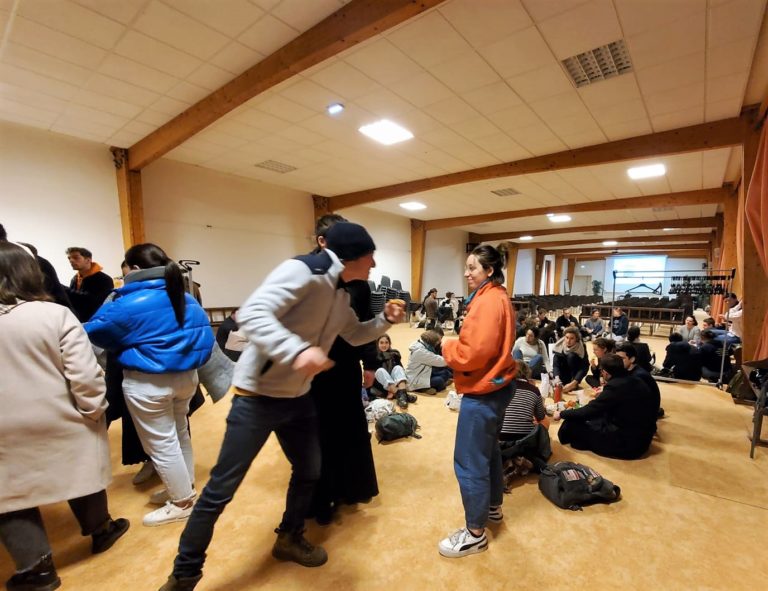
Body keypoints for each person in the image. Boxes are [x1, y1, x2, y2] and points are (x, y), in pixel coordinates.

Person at [158, 222, 405, 591]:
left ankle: (289, 537)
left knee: (310, 471)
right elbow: (253, 314)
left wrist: (384, 320)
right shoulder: (303, 271)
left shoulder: (340, 294)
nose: (374, 264)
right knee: (221, 488)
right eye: (371, 256)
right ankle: (184, 574)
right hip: (257, 398)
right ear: (352, 255)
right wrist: (297, 351)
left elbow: (354, 334)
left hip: (298, 399)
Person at [0, 242, 129, 591]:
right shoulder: (54, 315)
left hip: (4, 426)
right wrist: (93, 410)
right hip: (60, 415)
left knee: (8, 495)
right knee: (79, 470)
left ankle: (37, 568)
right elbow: (85, 375)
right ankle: (101, 529)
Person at [85, 244, 214, 527]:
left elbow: (90, 334)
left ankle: (181, 502)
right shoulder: (185, 297)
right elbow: (205, 339)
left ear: (134, 269)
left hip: (148, 382)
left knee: (162, 443)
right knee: (180, 435)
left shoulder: (125, 303)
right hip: (186, 379)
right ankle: (184, 488)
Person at [438, 243, 516, 559]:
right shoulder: (497, 295)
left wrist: (447, 346)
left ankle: (474, 533)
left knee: (469, 461)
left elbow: (473, 353)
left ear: (489, 270)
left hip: (484, 390)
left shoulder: (488, 302)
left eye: (472, 268)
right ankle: (492, 507)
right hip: (498, 385)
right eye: (467, 267)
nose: (467, 273)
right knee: (488, 451)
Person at [307, 214, 381, 525]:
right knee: (319, 434)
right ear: (322, 241)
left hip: (346, 366)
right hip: (312, 371)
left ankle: (352, 488)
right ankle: (322, 497)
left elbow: (364, 325)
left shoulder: (359, 282)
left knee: (350, 428)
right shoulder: (306, 276)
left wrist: (371, 363)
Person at [554, 354, 657, 460]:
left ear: (605, 372)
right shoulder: (636, 379)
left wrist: (561, 414)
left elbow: (589, 411)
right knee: (593, 419)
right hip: (643, 438)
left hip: (628, 444)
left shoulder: (615, 386)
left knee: (572, 423)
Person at [499, 360, 551, 472]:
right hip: (525, 439)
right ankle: (522, 457)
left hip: (500, 437)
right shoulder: (534, 390)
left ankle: (508, 456)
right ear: (527, 373)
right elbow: (541, 416)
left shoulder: (501, 386)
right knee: (545, 421)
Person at [64, 246, 115, 322]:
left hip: (97, 322)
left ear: (88, 260)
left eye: (76, 257)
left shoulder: (104, 279)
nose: (71, 260)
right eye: (69, 258)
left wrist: (65, 290)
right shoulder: (74, 279)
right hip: (80, 321)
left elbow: (94, 302)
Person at [615, 342, 663, 420]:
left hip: (644, 417)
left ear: (632, 359)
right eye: (616, 358)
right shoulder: (629, 370)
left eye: (622, 359)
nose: (617, 362)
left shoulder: (638, 376)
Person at [370, 334, 415, 408]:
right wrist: (389, 389)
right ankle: (403, 395)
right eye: (381, 343)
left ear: (389, 343)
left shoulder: (394, 354)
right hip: (380, 385)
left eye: (386, 342)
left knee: (398, 368)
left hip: (394, 383)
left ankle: (400, 396)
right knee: (380, 371)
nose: (384, 345)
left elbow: (401, 372)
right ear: (377, 344)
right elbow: (372, 377)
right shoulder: (373, 356)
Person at [406, 329, 453, 394]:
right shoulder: (420, 352)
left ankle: (430, 386)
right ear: (431, 342)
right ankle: (422, 389)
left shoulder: (421, 344)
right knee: (440, 381)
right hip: (415, 380)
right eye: (437, 343)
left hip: (424, 372)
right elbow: (442, 361)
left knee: (446, 373)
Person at [552, 327, 589, 393]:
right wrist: (557, 378)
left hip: (574, 374)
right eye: (567, 337)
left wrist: (574, 382)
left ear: (576, 339)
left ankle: (573, 383)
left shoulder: (581, 346)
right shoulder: (559, 345)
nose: (568, 341)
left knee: (571, 356)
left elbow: (584, 366)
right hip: (563, 373)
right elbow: (555, 364)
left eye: (572, 338)